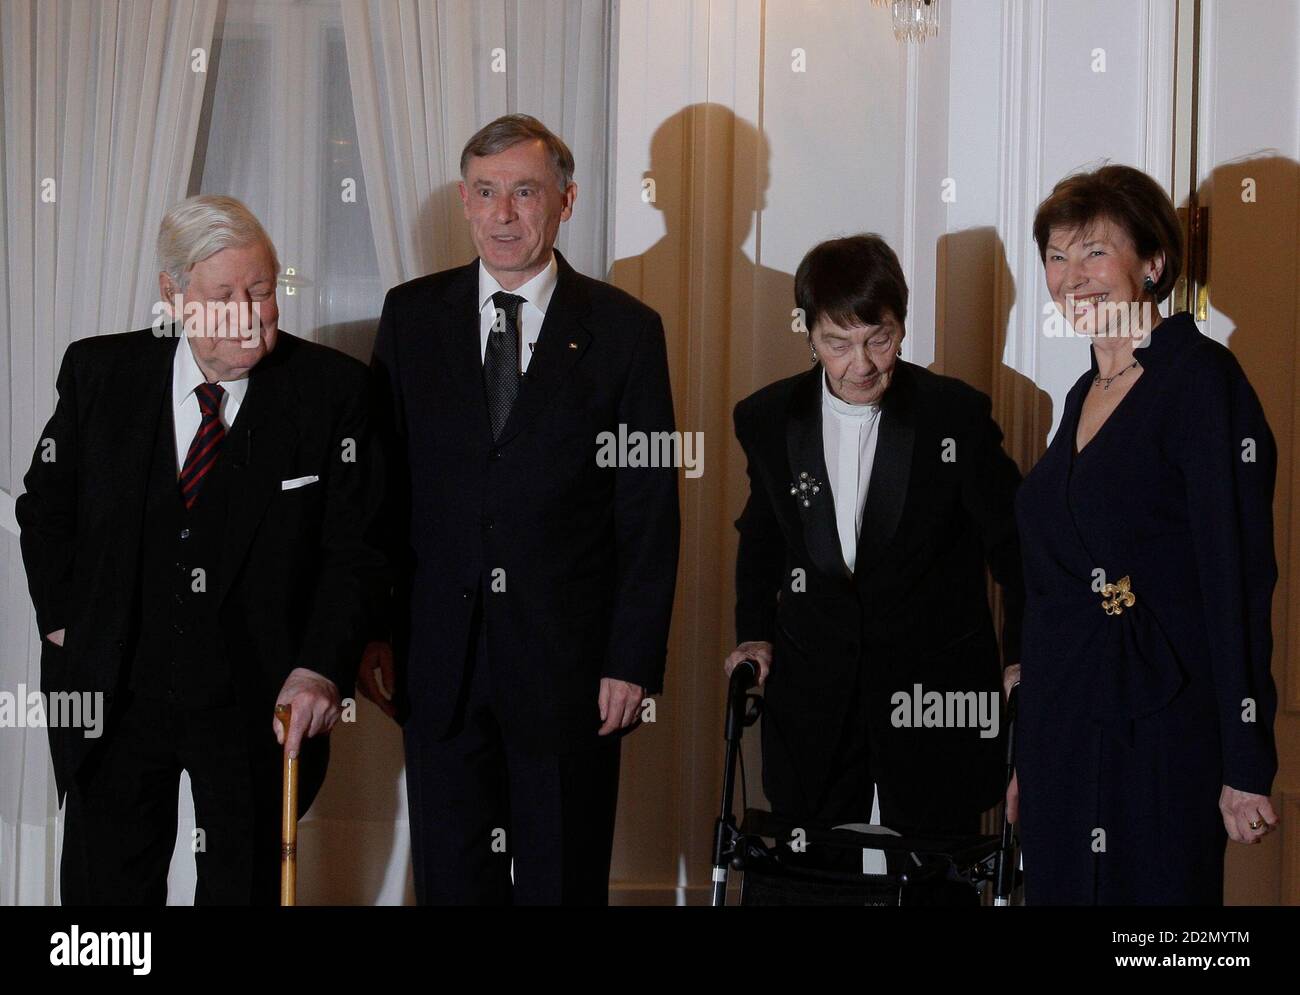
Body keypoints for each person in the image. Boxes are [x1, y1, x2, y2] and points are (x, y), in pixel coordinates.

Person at [16, 195, 385, 904]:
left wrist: (319, 667)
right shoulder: (101, 374)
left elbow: (357, 549)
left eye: (264, 290)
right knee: (105, 905)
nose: (252, 311)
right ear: (173, 294)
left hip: (256, 699)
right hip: (114, 694)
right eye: (225, 295)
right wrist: (67, 621)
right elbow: (45, 507)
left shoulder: (332, 392)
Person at [362, 114, 680, 905]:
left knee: (561, 883)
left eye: (525, 192)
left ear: (565, 202)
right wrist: (371, 628)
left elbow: (648, 513)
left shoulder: (626, 332)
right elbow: (378, 495)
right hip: (439, 665)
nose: (503, 213)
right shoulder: (410, 319)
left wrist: (630, 660)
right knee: (452, 883)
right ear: (465, 204)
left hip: (571, 674)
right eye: (486, 192)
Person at [1012, 164, 1280, 904]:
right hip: (1065, 732)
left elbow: (1237, 576)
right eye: (1057, 257)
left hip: (1162, 726)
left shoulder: (1201, 379)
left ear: (1153, 263)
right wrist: (1026, 757)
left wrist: (1245, 759)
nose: (1073, 277)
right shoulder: (1079, 393)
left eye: (1096, 252)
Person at [725, 233, 1024, 871]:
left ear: (901, 325)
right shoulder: (768, 417)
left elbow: (1016, 550)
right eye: (837, 343)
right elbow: (763, 535)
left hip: (937, 703)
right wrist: (752, 633)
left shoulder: (955, 416)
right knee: (815, 880)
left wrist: (1021, 659)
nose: (860, 364)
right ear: (807, 332)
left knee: (936, 882)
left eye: (878, 340)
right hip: (813, 705)